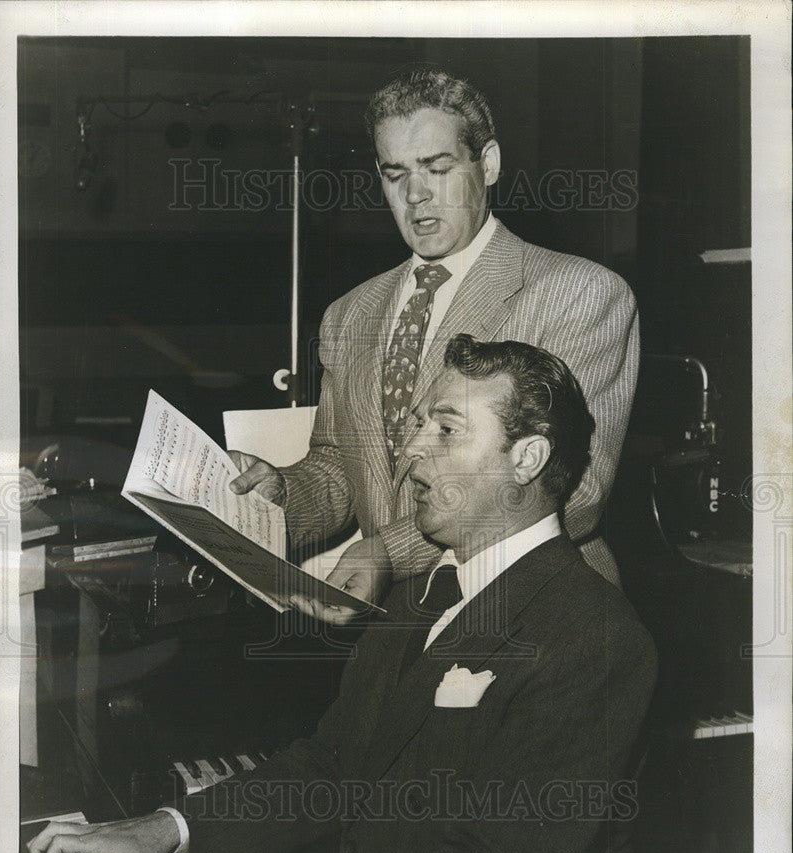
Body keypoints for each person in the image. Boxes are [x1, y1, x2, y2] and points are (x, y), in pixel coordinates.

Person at [29, 336, 657, 853]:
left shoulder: (594, 636)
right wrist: (169, 829)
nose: (411, 451)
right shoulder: (417, 598)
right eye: (417, 426)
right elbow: (334, 764)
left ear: (526, 459)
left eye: (446, 429)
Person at [227, 67, 640, 621]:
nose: (416, 195)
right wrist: (278, 497)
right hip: (392, 625)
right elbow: (339, 467)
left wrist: (391, 554)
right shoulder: (348, 315)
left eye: (437, 168)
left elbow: (573, 492)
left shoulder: (580, 293)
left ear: (487, 164)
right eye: (395, 174)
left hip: (537, 608)